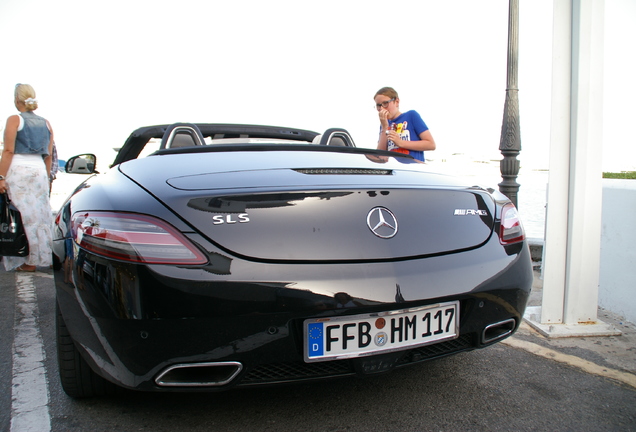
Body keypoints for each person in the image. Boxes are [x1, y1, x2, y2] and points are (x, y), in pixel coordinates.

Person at [0, 84, 54, 272]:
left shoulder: (14, 119)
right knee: (37, 215)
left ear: (16, 100)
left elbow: (8, 151)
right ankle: (33, 260)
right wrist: (46, 179)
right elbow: (49, 155)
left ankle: (17, 256)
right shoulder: (46, 123)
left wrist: (0, 176)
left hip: (19, 170)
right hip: (39, 170)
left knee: (18, 214)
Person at [374, 87, 436, 162]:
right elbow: (380, 155)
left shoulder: (411, 115)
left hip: (413, 167)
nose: (382, 109)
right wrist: (384, 127)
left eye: (385, 103)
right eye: (378, 105)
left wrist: (401, 143)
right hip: (395, 168)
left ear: (396, 102)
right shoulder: (385, 124)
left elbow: (431, 144)